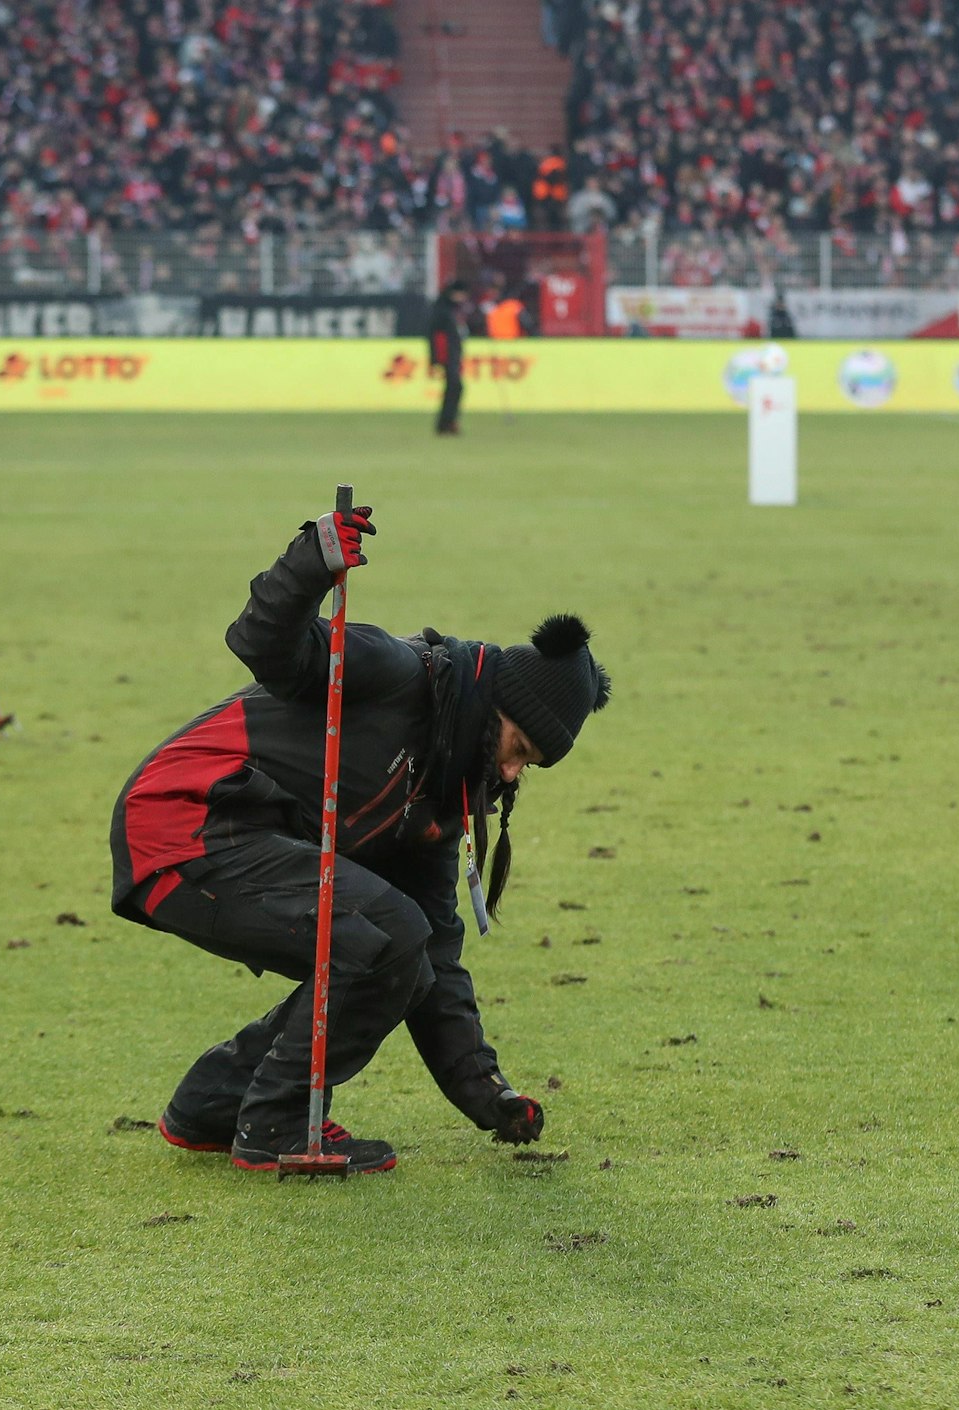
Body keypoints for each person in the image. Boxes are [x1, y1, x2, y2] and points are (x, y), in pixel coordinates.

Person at [109, 506, 611, 1174]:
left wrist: (483, 1091)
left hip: (226, 842)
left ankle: (215, 1104)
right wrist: (310, 561)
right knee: (388, 936)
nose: (513, 773)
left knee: (402, 949)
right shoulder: (395, 672)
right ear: (494, 705)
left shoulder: (442, 794)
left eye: (530, 768)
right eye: (518, 749)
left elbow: (431, 955)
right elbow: (263, 643)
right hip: (182, 820)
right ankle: (279, 1123)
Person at [429, 279, 469, 435]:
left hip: (453, 354)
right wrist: (436, 358)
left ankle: (447, 421)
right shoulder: (443, 310)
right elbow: (435, 336)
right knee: (455, 387)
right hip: (447, 355)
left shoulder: (452, 309)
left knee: (454, 388)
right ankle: (447, 421)